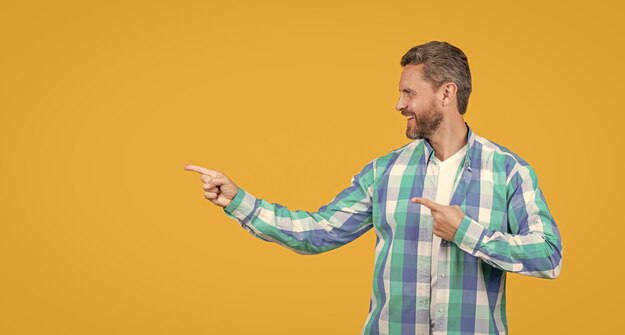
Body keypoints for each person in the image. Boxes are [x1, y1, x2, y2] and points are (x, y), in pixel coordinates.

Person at [184, 41, 562, 335]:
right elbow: (320, 231)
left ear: (446, 94)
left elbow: (548, 255)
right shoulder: (385, 171)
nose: (399, 104)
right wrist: (239, 201)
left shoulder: (509, 171)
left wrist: (466, 232)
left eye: (409, 93)